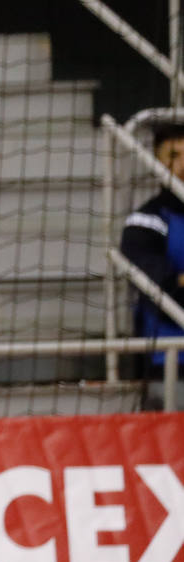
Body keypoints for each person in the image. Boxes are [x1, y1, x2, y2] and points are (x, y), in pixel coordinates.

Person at [121, 120, 184, 384]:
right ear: (156, 161)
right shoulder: (145, 222)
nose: (183, 164)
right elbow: (165, 287)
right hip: (169, 363)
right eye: (174, 155)